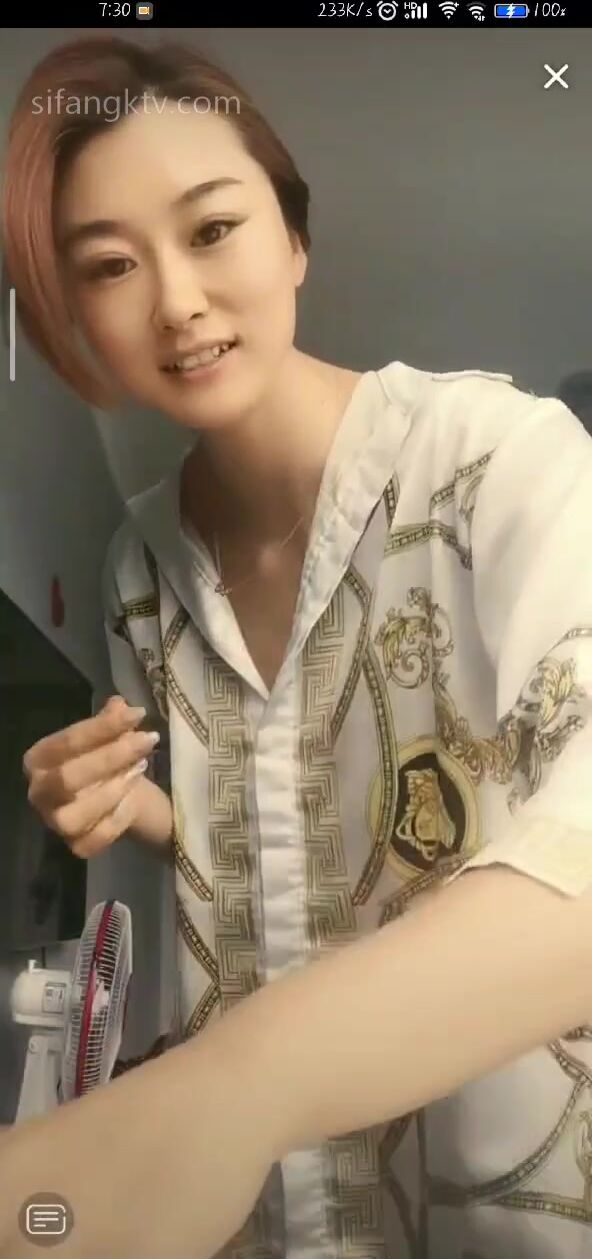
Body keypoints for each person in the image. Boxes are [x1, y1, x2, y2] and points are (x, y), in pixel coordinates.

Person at [1, 33, 591, 1259]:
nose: (176, 300)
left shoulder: (500, 459)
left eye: (212, 229)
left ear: (294, 236)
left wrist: (221, 1094)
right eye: (109, 266)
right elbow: (276, 841)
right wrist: (142, 813)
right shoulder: (138, 564)